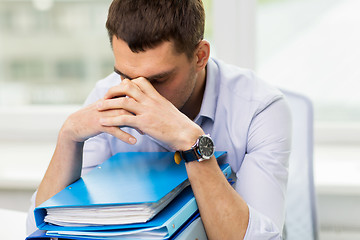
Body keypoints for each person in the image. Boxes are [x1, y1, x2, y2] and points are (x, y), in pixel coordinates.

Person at [26, 0, 291, 239]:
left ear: (200, 56)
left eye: (158, 79)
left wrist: (192, 143)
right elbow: (39, 229)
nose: (140, 93)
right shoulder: (106, 98)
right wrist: (68, 137)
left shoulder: (260, 108)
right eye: (125, 76)